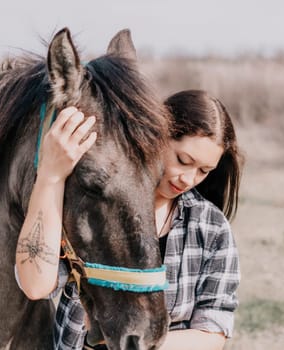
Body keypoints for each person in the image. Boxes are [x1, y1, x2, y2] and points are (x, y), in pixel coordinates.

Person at [15, 90, 243, 350]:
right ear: (156, 136)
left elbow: (213, 332)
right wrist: (50, 176)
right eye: (183, 160)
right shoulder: (93, 205)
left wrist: (138, 345)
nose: (189, 179)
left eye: (204, 171)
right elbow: (35, 285)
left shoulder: (211, 227)